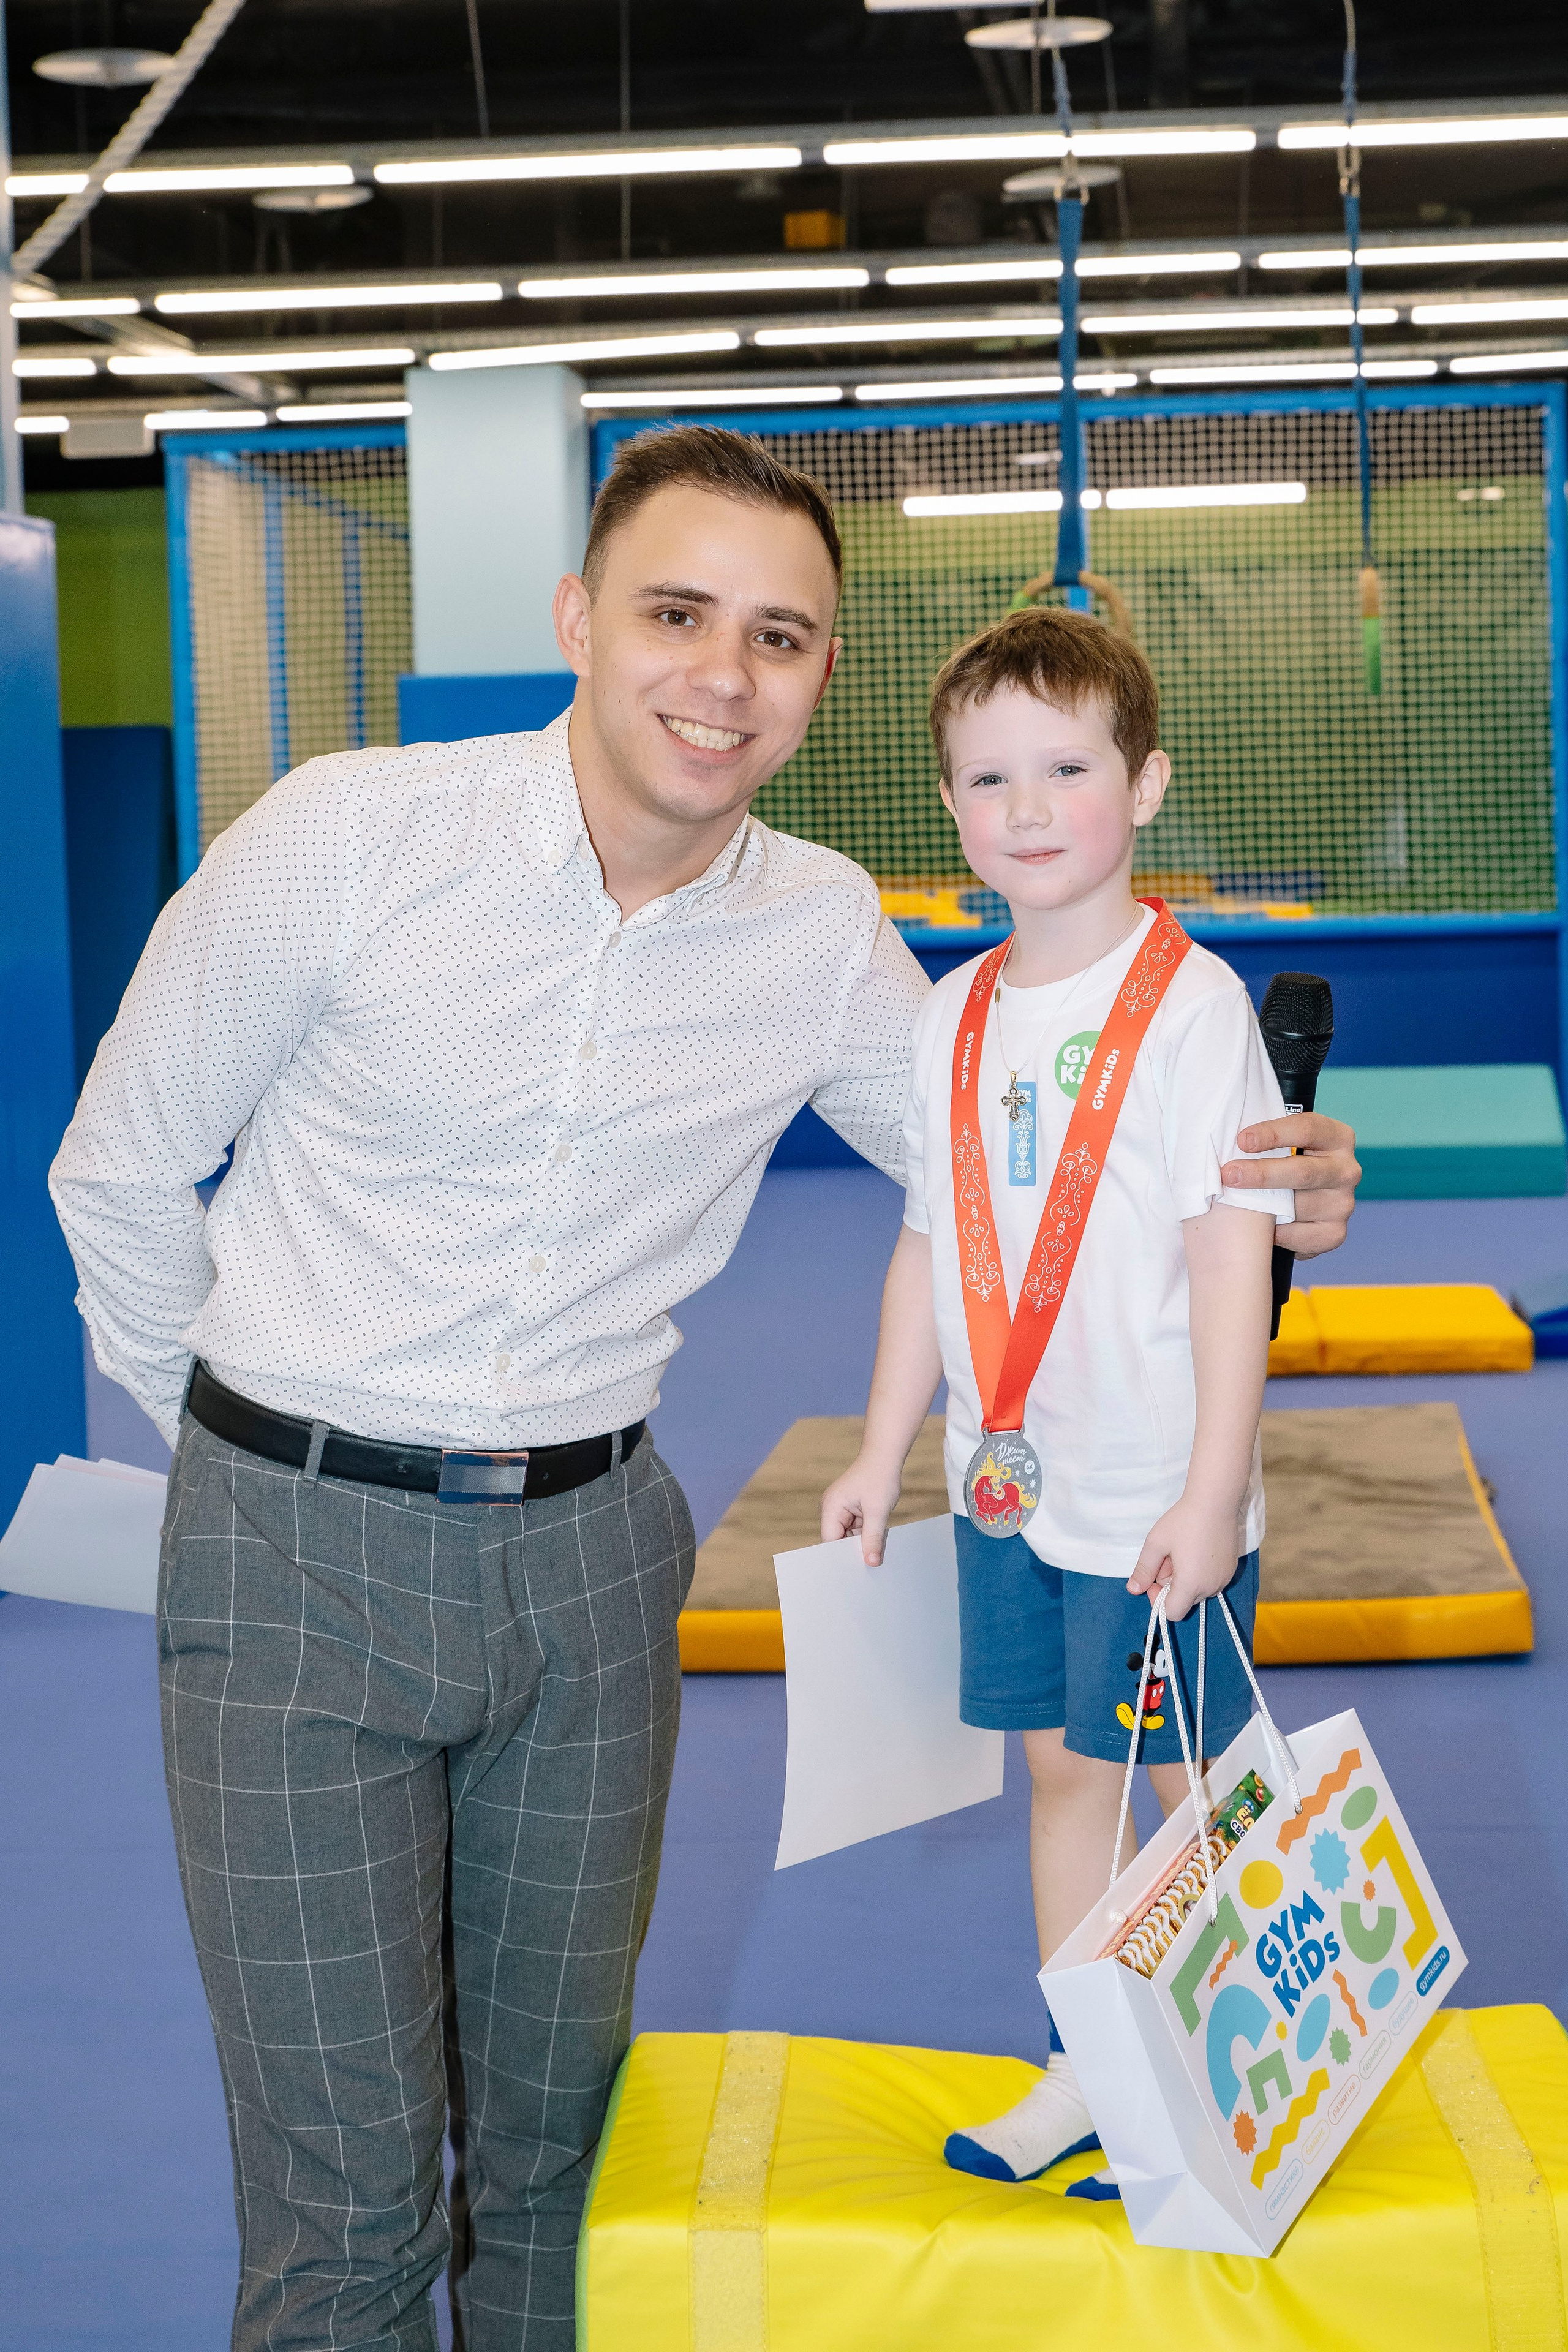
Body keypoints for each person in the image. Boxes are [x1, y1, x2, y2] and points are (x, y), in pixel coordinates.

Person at [49, 427, 1359, 2349]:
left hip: (591, 1574)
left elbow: (1021, 1175)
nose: (722, 675)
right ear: (580, 618)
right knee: (344, 2201)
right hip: (287, 1567)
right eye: (677, 613)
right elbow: (122, 1167)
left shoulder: (823, 934)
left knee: (562, 2172)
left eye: (781, 637)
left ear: (823, 681)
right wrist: (252, 1472)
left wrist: (1282, 1175)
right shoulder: (348, 836)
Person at [821, 604, 1300, 2187]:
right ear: (949, 808)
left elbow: (1236, 1267)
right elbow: (920, 1246)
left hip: (1155, 1481)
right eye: (987, 778)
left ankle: (1251, 2059)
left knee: (1200, 1786)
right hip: (1006, 1478)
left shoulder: (1189, 1012)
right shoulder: (952, 1015)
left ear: (1144, 785)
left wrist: (1214, 1491)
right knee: (1059, 1771)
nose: (1027, 809)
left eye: (1066, 768)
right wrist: (888, 1444)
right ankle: (1089, 2059)